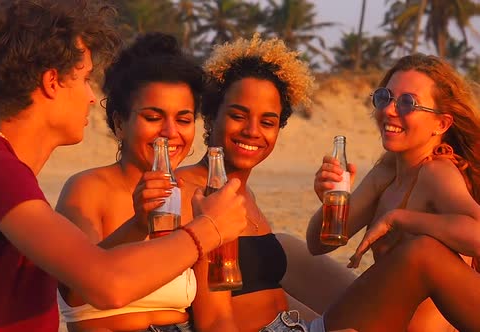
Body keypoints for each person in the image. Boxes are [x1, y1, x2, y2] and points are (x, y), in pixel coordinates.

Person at [0, 1, 248, 331]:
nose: (92, 96)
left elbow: (80, 275)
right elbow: (108, 286)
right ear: (52, 82)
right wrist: (211, 228)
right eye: (84, 78)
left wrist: (139, 224)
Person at [176, 34, 355, 332]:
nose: (252, 131)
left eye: (268, 122)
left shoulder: (248, 195)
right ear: (210, 116)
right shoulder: (186, 191)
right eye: (238, 115)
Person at [307, 54, 480, 331]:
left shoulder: (437, 172)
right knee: (282, 251)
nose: (389, 110)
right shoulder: (386, 173)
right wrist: (330, 203)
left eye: (407, 103)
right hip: (387, 322)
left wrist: (398, 218)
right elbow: (319, 245)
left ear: (442, 124)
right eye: (385, 97)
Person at [55, 32, 204, 332]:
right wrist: (137, 225)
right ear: (120, 123)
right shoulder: (87, 188)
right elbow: (74, 288)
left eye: (184, 120)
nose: (171, 132)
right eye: (153, 117)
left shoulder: (193, 197)